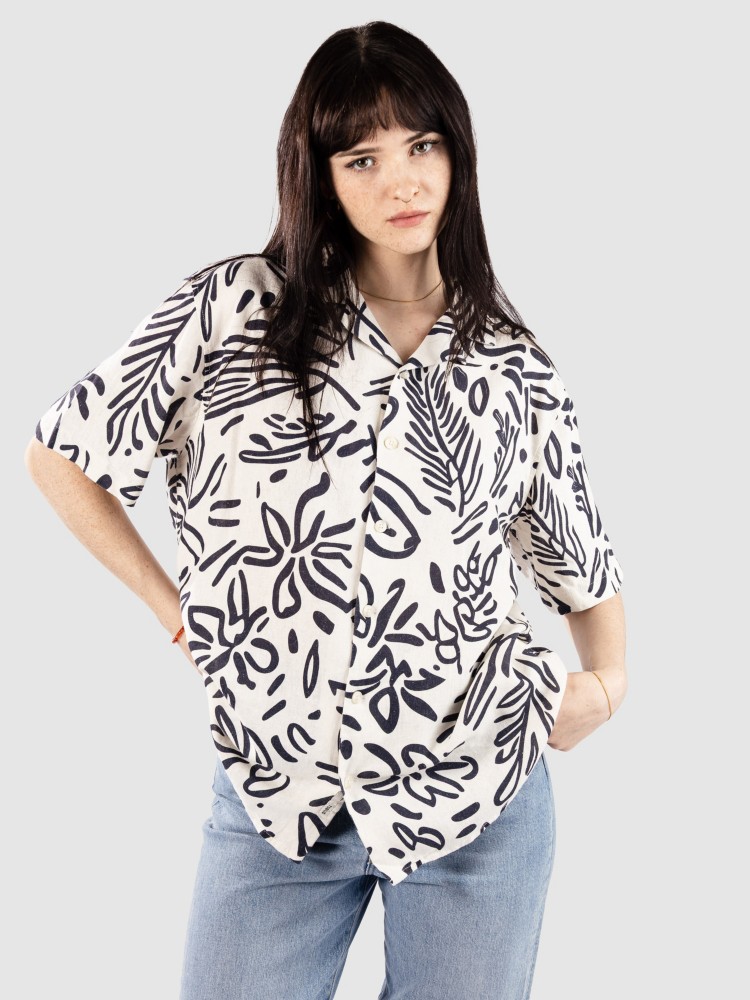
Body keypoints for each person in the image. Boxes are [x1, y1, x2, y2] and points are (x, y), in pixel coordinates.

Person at [25, 19, 627, 1000]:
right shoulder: (233, 311)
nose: (403, 182)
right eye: (364, 158)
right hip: (279, 792)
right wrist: (175, 611)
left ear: (458, 154)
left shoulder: (510, 363)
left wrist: (605, 685)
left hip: (477, 788)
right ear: (320, 175)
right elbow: (63, 455)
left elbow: (581, 564)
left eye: (422, 145)